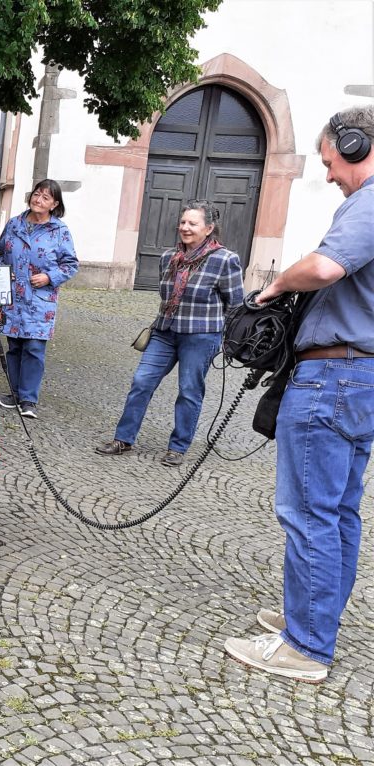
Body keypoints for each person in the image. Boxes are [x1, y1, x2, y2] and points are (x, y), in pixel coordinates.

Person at [224, 107, 374, 683]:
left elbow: (327, 267)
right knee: (338, 512)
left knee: (310, 513)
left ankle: (306, 646)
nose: (330, 174)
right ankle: (314, 616)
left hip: (334, 379)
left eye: (332, 161)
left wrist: (276, 285)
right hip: (358, 378)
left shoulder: (368, 201)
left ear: (357, 146)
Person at [95, 200, 244, 467]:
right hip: (165, 332)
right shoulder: (169, 258)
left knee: (189, 390)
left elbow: (236, 304)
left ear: (209, 228)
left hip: (201, 336)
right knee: (141, 382)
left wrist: (225, 339)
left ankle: (178, 447)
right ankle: (124, 438)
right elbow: (165, 297)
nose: (185, 228)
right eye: (183, 222)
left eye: (193, 223)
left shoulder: (225, 260)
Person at [0, 179, 79, 419]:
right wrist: (2, 271)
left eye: (45, 197)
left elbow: (71, 265)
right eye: (36, 195)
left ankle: (28, 398)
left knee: (34, 348)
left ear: (54, 204)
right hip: (12, 296)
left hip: (40, 299)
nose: (38, 200)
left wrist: (49, 276)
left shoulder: (59, 231)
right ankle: (14, 393)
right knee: (14, 346)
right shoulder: (15, 224)